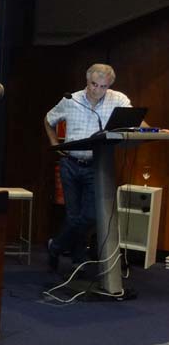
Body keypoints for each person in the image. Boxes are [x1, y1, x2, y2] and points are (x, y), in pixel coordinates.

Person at [43, 63, 153, 271]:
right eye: (94, 84)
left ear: (109, 85)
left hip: (97, 166)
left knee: (91, 216)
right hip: (70, 164)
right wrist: (54, 144)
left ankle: (56, 247)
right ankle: (78, 256)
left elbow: (137, 122)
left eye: (103, 86)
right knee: (73, 216)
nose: (97, 90)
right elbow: (48, 120)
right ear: (87, 81)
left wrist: (153, 131)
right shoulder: (71, 100)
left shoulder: (118, 99)